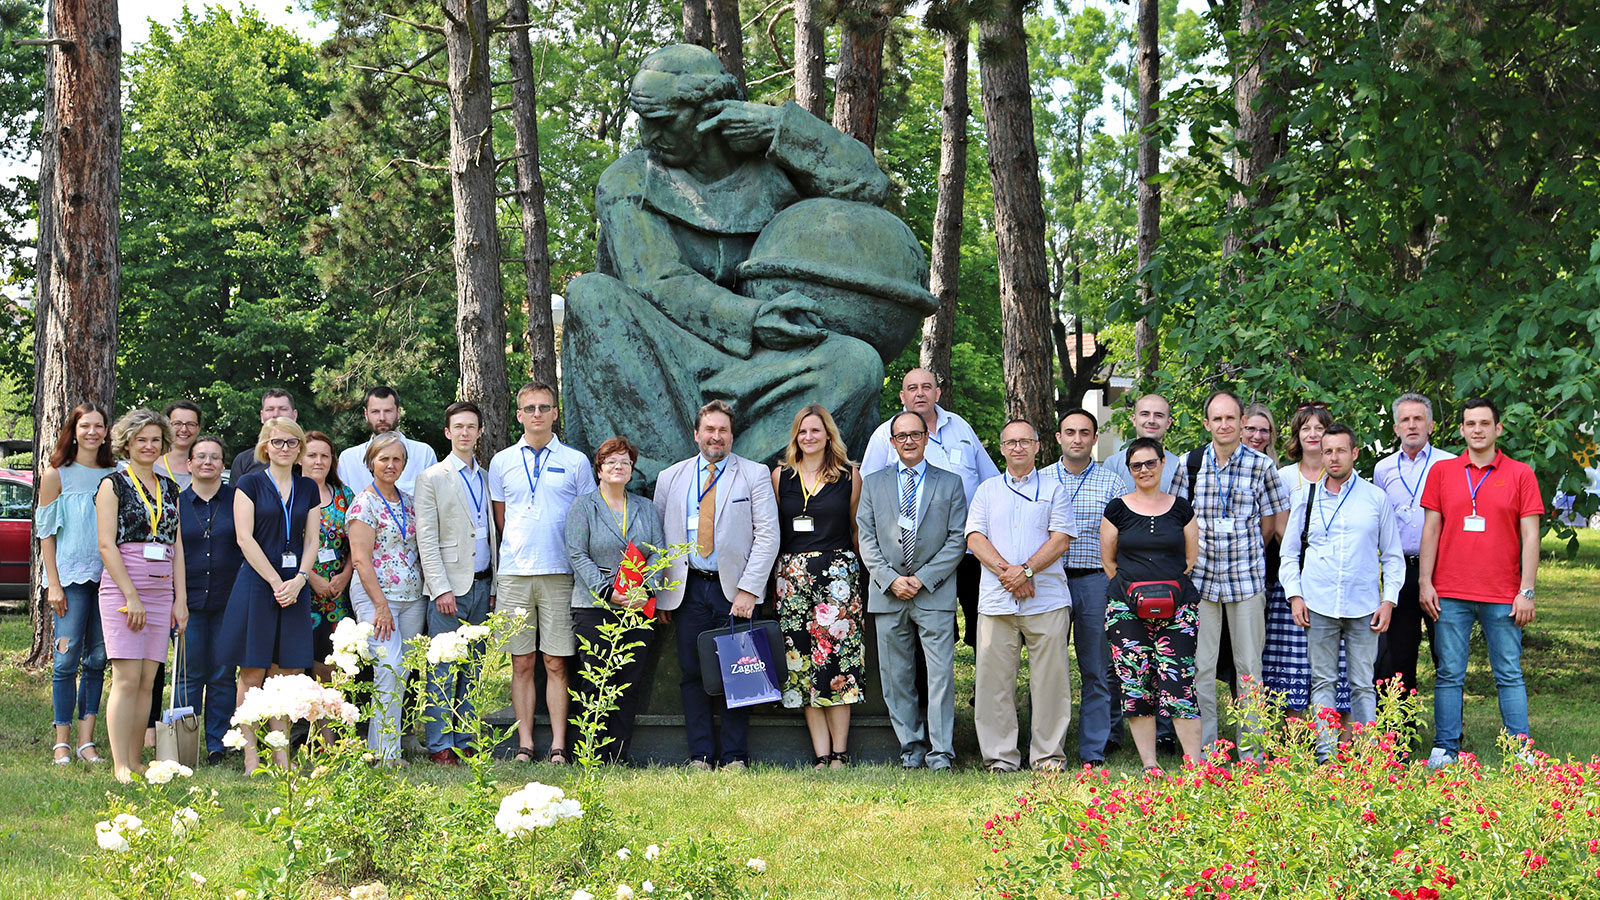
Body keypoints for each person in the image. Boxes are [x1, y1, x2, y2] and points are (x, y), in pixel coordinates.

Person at [560, 44, 902, 482]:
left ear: (710, 111)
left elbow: (867, 185)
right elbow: (659, 281)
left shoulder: (775, 165)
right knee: (591, 293)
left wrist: (783, 128)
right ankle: (664, 479)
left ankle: (750, 482)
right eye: (643, 121)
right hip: (667, 349)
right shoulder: (626, 181)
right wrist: (752, 317)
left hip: (762, 358)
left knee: (857, 362)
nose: (648, 137)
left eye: (662, 121)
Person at [654, 400, 780, 770]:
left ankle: (735, 756)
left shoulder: (753, 475)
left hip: (734, 591)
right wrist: (662, 594)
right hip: (687, 589)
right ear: (696, 434)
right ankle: (701, 755)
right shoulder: (670, 478)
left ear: (731, 435)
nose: (716, 436)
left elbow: (768, 536)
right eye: (709, 429)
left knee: (740, 672)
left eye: (723, 430)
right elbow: (660, 541)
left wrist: (749, 589)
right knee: (692, 673)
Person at [1419, 398, 1543, 769]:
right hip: (1450, 591)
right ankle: (1444, 749)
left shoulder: (1521, 473)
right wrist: (1425, 581)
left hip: (1503, 593)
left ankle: (1519, 750)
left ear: (1498, 429)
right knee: (1448, 674)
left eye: (1484, 423)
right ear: (1460, 430)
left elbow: (1531, 536)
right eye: (1470, 423)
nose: (1477, 429)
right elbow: (1431, 528)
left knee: (1508, 673)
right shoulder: (1442, 471)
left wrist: (1527, 590)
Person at [1280, 424, 1403, 760]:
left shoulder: (1375, 499)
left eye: (1340, 450)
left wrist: (1388, 599)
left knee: (1363, 684)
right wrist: (1296, 595)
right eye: (1327, 450)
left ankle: (1366, 753)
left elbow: (1392, 556)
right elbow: (1289, 553)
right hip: (1318, 604)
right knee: (1322, 682)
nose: (1333, 457)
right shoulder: (1305, 497)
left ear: (1354, 453)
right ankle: (1326, 755)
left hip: (1364, 606)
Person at [489, 381, 595, 764]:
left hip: (560, 572)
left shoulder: (576, 461)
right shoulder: (501, 462)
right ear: (519, 415)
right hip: (516, 573)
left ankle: (558, 746)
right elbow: (503, 520)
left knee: (556, 661)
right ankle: (524, 744)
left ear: (554, 413)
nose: (537, 414)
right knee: (521, 662)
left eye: (544, 407)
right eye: (530, 408)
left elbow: (585, 516)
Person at [856, 411, 968, 771]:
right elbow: (866, 537)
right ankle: (911, 747)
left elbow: (957, 539)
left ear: (925, 438)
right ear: (892, 442)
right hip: (888, 594)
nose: (908, 440)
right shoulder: (873, 484)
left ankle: (941, 752)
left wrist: (922, 578)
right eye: (901, 435)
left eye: (915, 434)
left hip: (933, 593)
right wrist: (890, 579)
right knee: (896, 677)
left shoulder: (950, 483)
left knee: (939, 676)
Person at [965, 419, 1076, 772]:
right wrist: (1009, 574)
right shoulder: (986, 491)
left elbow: (1060, 538)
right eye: (1011, 442)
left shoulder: (1055, 489)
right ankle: (1000, 757)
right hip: (997, 603)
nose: (1018, 448)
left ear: (1038, 446)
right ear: (1001, 448)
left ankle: (1047, 757)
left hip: (1047, 600)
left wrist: (1026, 570)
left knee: (1050, 684)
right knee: (993, 684)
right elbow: (974, 538)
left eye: (1025, 441)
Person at [861, 368, 999, 647]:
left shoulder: (961, 427)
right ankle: (928, 691)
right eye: (912, 388)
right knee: (932, 634)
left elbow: (991, 482)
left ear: (938, 393)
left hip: (970, 548)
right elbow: (868, 494)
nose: (920, 393)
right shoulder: (885, 435)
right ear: (902, 396)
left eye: (926, 387)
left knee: (981, 627)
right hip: (921, 559)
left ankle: (981, 691)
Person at [1187, 391, 1291, 751]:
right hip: (1200, 582)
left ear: (1241, 421)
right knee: (1201, 669)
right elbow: (1179, 521)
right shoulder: (1191, 464)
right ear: (1207, 424)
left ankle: (1252, 753)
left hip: (1245, 581)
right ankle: (1206, 751)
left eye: (1231, 418)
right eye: (1217, 419)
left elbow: (1275, 524)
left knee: (1249, 671)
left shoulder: (1262, 467)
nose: (1224, 425)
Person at [222, 417, 321, 774]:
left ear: (299, 450)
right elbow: (244, 538)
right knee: (251, 671)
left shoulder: (307, 488)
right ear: (265, 446)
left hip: (294, 587)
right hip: (257, 584)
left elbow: (312, 539)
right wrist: (275, 580)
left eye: (292, 443)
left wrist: (299, 578)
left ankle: (281, 757)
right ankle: (251, 756)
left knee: (287, 673)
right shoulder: (248, 483)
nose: (284, 448)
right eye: (277, 442)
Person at [95, 408, 187, 783]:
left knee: (150, 680)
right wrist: (130, 595)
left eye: (155, 440)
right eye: (141, 440)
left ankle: (135, 760)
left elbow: (177, 546)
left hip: (162, 588)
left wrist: (180, 599)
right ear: (127, 444)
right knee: (127, 678)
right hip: (124, 587)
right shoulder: (112, 485)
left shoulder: (171, 488)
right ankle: (119, 765)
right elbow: (105, 544)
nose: (148, 446)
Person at [770, 404, 865, 769]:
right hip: (792, 578)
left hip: (838, 576)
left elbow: (856, 528)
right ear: (796, 436)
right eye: (802, 431)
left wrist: (861, 579)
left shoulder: (849, 475)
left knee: (837, 663)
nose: (808, 437)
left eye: (815, 431)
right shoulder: (781, 477)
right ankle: (821, 755)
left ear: (828, 435)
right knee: (802, 664)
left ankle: (840, 753)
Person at [1100, 438, 1202, 770]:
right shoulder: (1116, 508)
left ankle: (1195, 764)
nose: (1144, 470)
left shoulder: (1182, 508)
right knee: (1135, 683)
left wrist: (1163, 590)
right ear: (1129, 469)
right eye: (1136, 465)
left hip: (1178, 608)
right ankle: (1150, 764)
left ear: (1162, 464)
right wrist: (1134, 591)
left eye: (1150, 463)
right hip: (1127, 610)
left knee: (1180, 683)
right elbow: (1109, 561)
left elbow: (1190, 558)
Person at [564, 436, 666, 765]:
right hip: (594, 606)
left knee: (628, 684)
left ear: (632, 469)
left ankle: (617, 755)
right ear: (599, 469)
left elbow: (659, 555)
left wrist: (643, 591)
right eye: (611, 462)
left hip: (637, 608)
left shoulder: (646, 508)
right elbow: (577, 554)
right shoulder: (584, 506)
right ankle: (589, 753)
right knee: (595, 681)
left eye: (624, 461)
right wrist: (609, 592)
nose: (618, 466)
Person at [1040, 408, 1128, 765]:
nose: (1077, 438)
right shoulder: (1041, 479)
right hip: (1048, 581)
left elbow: (1123, 538)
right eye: (1070, 432)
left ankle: (1094, 748)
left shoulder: (1112, 483)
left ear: (1094, 439)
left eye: (1084, 433)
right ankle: (1045, 744)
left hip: (1094, 581)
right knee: (1047, 667)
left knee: (1097, 668)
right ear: (1059, 437)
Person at [415, 402, 497, 766]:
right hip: (449, 589)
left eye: (472, 427)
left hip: (483, 584)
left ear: (480, 433)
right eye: (458, 427)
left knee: (473, 669)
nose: (465, 433)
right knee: (443, 669)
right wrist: (440, 587)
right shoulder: (432, 477)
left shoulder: (486, 476)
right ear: (448, 433)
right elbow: (427, 538)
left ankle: (465, 739)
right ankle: (439, 745)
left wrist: (494, 585)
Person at [38, 402, 114, 765]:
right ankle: (62, 741)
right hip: (69, 579)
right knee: (66, 661)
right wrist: (53, 583)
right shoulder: (57, 475)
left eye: (99, 426)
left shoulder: (115, 473)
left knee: (98, 659)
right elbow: (46, 534)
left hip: (109, 579)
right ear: (74, 429)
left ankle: (87, 741)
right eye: (86, 426)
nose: (93, 432)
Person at [1265, 403, 1349, 713]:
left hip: (1333, 580)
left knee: (1332, 658)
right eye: (1306, 429)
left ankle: (1333, 732)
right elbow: (1278, 529)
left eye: (1320, 428)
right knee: (1292, 661)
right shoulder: (1283, 476)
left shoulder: (1343, 474)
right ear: (1296, 436)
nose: (1313, 434)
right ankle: (1295, 737)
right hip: (1293, 579)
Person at [348, 433, 425, 764]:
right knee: (388, 668)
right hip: (377, 597)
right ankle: (383, 752)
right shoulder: (364, 504)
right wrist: (380, 605)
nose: (390, 465)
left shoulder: (409, 502)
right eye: (384, 459)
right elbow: (360, 559)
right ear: (371, 462)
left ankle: (389, 745)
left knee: (403, 671)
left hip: (411, 597)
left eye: (396, 459)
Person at [1371, 393, 1455, 696]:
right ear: (1395, 428)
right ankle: (1399, 734)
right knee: (1398, 657)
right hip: (1399, 571)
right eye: (1405, 420)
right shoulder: (1383, 469)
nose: (1412, 425)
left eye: (1418, 419)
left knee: (1446, 655)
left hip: (1442, 570)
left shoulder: (1450, 463)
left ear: (1430, 425)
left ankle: (1450, 734)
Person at [177, 435, 242, 763]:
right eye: (200, 457)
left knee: (221, 674)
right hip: (186, 603)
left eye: (214, 457)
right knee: (188, 674)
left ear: (223, 465)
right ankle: (182, 745)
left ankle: (219, 744)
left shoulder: (237, 501)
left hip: (228, 600)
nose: (207, 462)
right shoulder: (174, 503)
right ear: (188, 464)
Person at [302, 432, 355, 681]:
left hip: (338, 593)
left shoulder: (345, 496)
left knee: (332, 664)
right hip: (300, 590)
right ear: (299, 458)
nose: (318, 461)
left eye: (325, 456)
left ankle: (329, 719)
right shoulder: (291, 496)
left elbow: (358, 544)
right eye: (312, 455)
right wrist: (311, 578)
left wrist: (345, 575)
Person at [337, 386, 439, 496]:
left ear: (398, 413)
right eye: (375, 412)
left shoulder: (423, 454)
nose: (382, 418)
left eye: (388, 411)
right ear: (366, 414)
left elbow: (435, 500)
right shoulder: (348, 460)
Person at [1106, 394, 1186, 497]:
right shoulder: (1113, 465)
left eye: (1159, 415)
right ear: (1134, 420)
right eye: (1145, 414)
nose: (1151, 420)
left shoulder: (1179, 466)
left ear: (1168, 423)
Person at [230, 389, 297, 483]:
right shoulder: (243, 461)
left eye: (283, 409)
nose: (276, 414)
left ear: (294, 415)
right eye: (270, 409)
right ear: (261, 416)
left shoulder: (307, 458)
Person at [159, 401, 202, 490]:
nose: (184, 429)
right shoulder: (150, 466)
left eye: (190, 424)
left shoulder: (205, 468)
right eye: (177, 423)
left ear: (198, 429)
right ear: (166, 427)